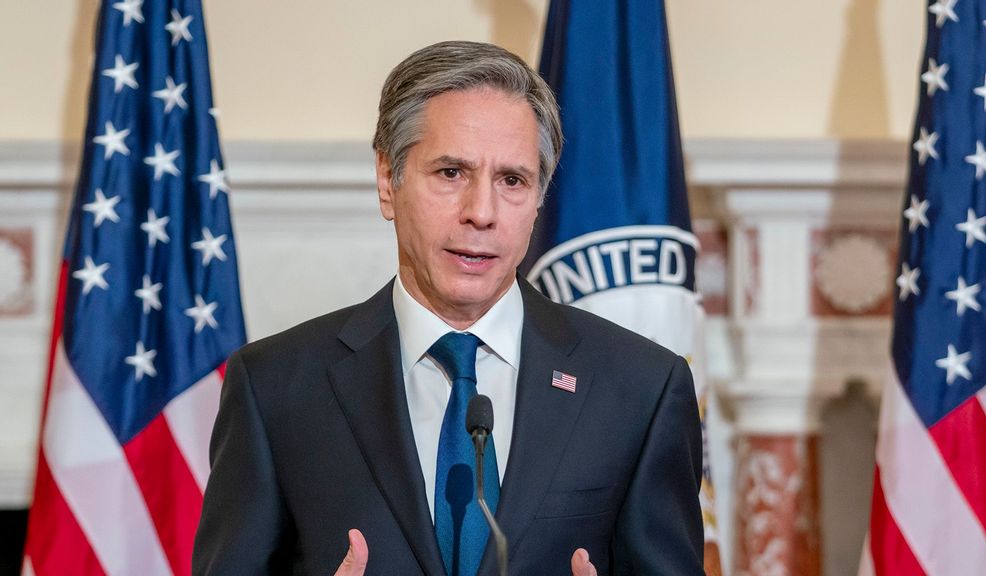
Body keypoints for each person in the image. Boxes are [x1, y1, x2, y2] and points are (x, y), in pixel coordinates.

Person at [193, 40, 704, 575]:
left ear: (538, 199)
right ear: (388, 181)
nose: (481, 213)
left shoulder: (641, 387)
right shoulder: (275, 386)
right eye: (451, 173)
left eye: (512, 180)